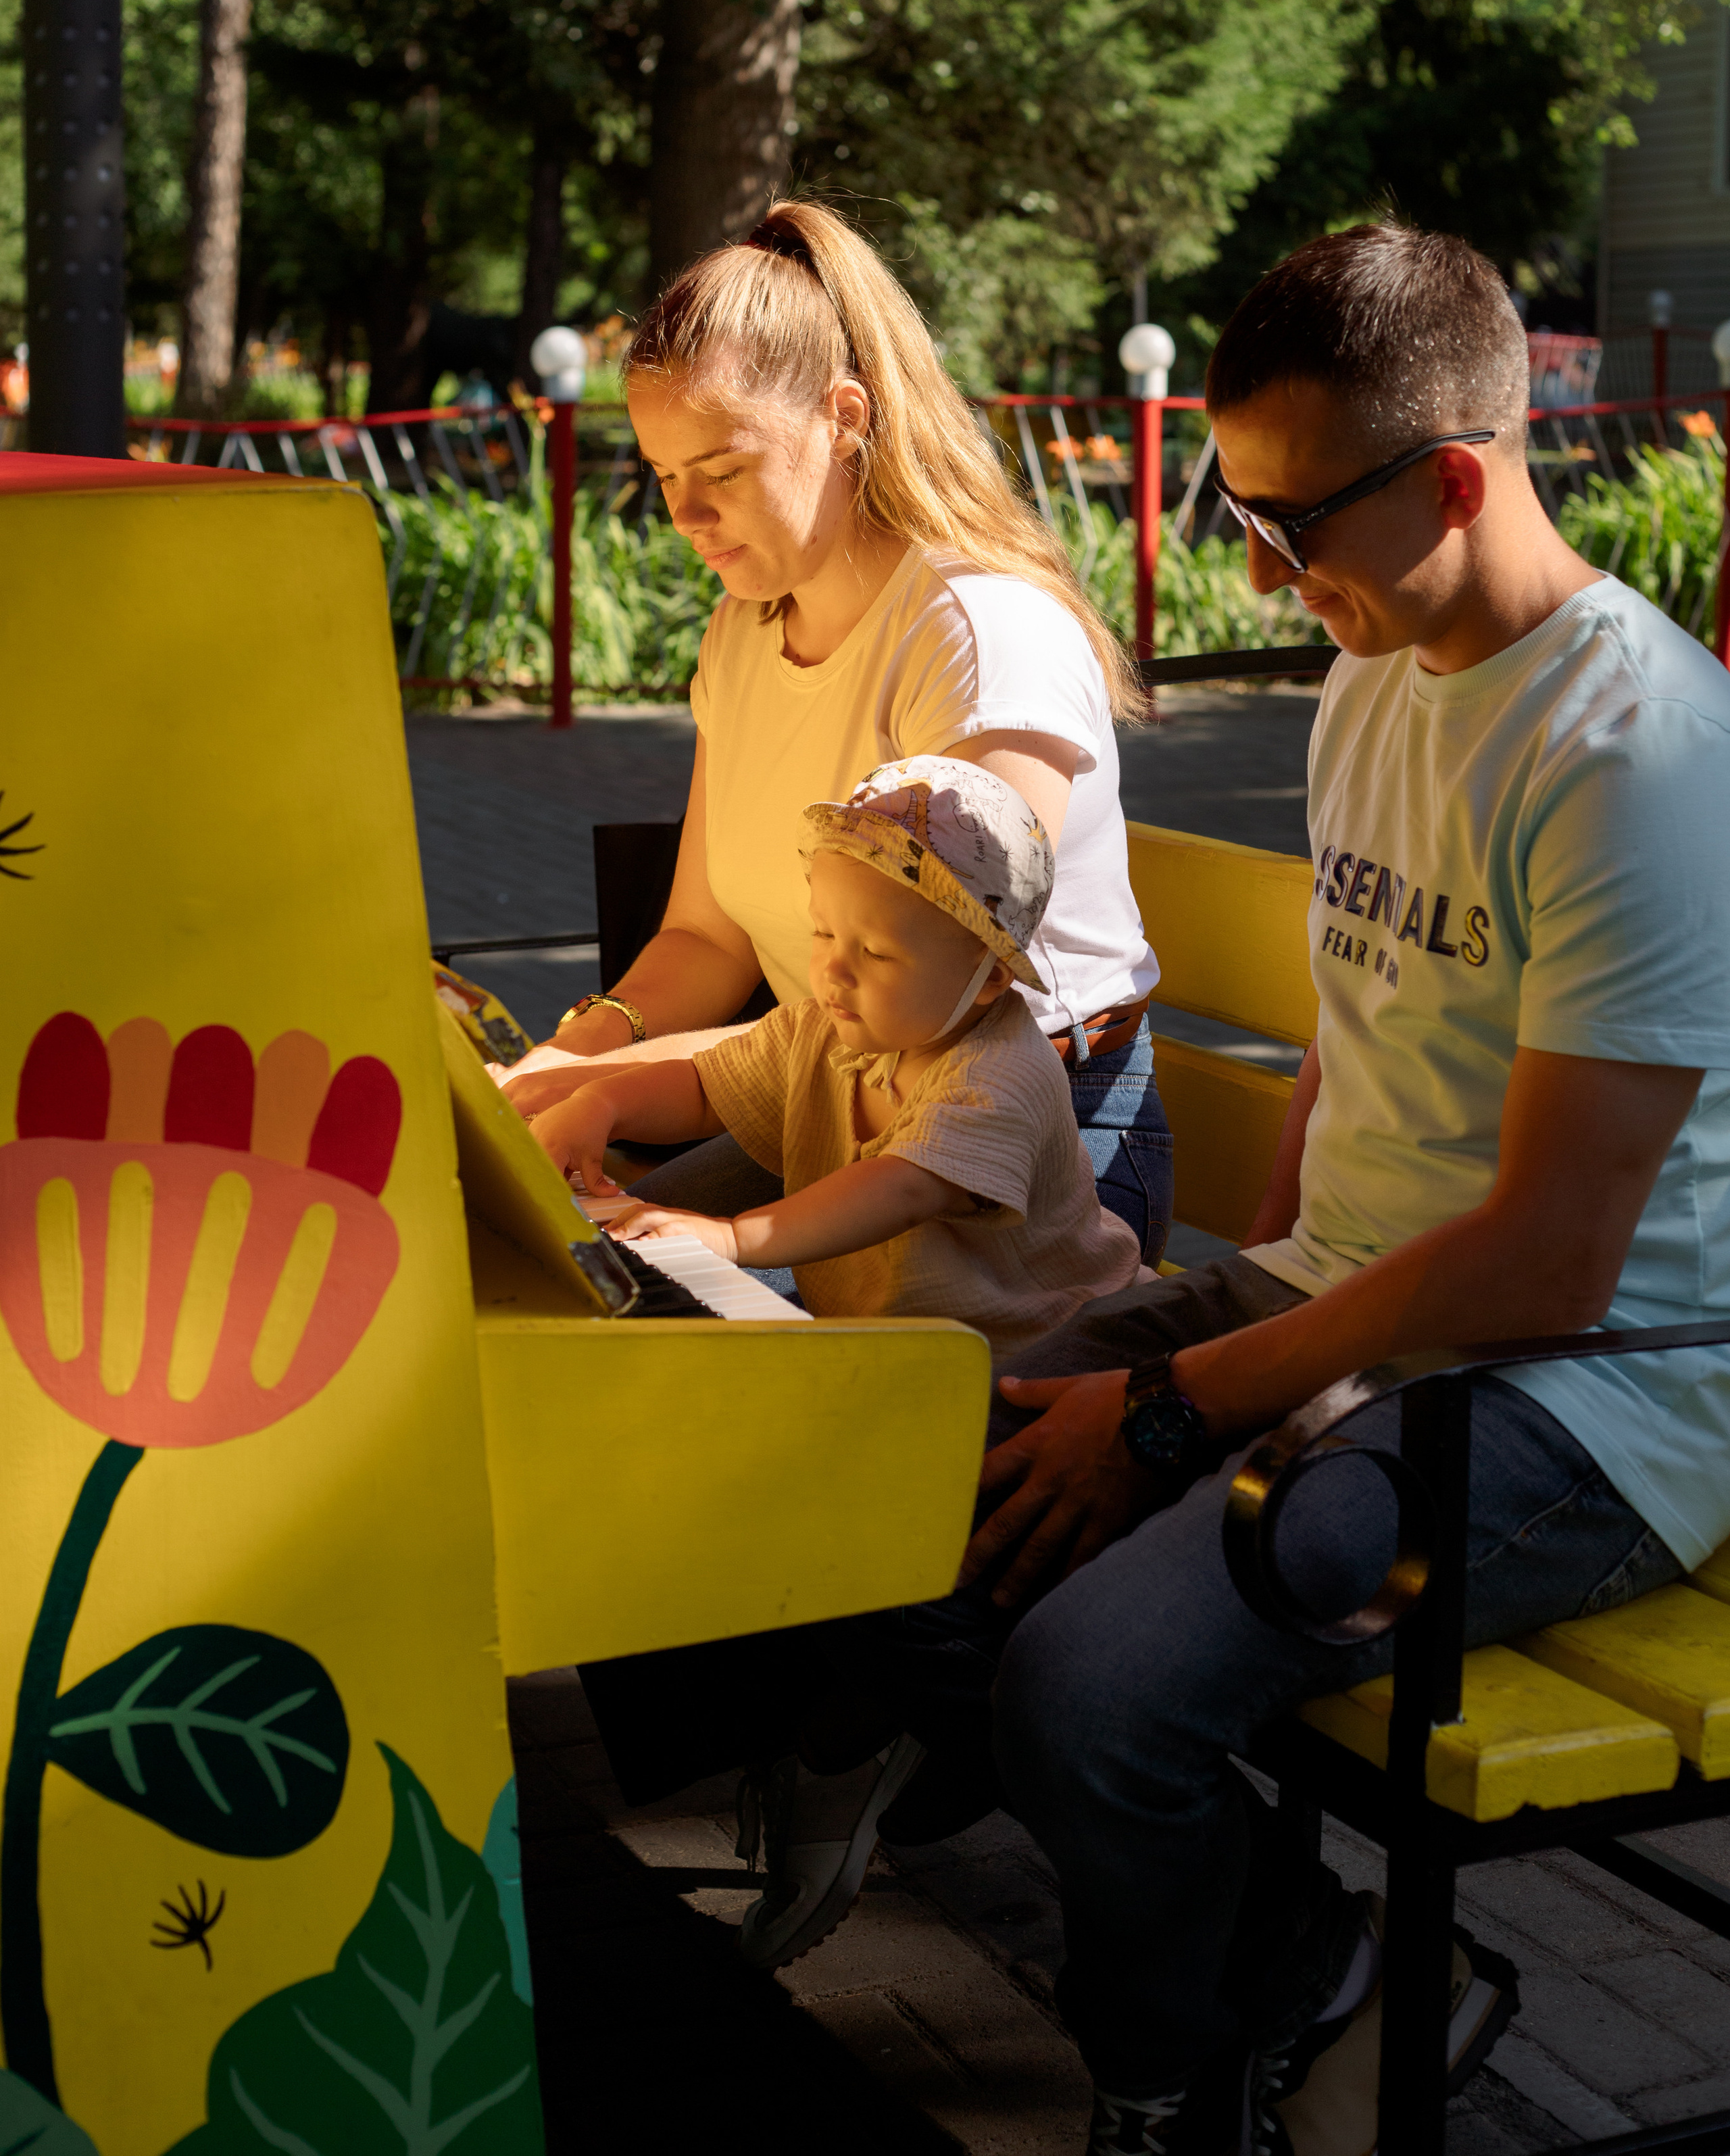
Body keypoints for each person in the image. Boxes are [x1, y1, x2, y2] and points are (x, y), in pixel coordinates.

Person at [578, 224, 1730, 2154]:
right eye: (1237, 513)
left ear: (1453, 479)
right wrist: (1224, 1306)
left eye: (1290, 530)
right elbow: (1367, 1056)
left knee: (1092, 1691)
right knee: (899, 1527)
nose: (1255, 572)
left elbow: (1549, 1252)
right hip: (1361, 1305)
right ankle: (1329, 1979)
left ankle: (1168, 2064)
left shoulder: (1641, 751)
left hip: (1585, 1397)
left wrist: (1187, 1395)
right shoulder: (1383, 670)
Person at [499, 199, 1172, 1260]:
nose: (684, 516)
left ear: (844, 417)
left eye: (719, 471)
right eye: (665, 477)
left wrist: (597, 1084)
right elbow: (705, 939)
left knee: (638, 1291)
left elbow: (932, 994)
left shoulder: (977, 634)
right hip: (833, 1094)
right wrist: (568, 1057)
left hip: (1027, 1153)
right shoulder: (742, 630)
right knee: (564, 1245)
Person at [533, 758, 1141, 1358]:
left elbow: (903, 1188)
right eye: (823, 933)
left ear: (988, 976)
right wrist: (602, 1102)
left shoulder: (1001, 1076)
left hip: (1046, 1351)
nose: (833, 969)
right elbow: (704, 1088)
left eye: (876, 952)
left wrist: (736, 1238)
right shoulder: (827, 1029)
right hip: (908, 1343)